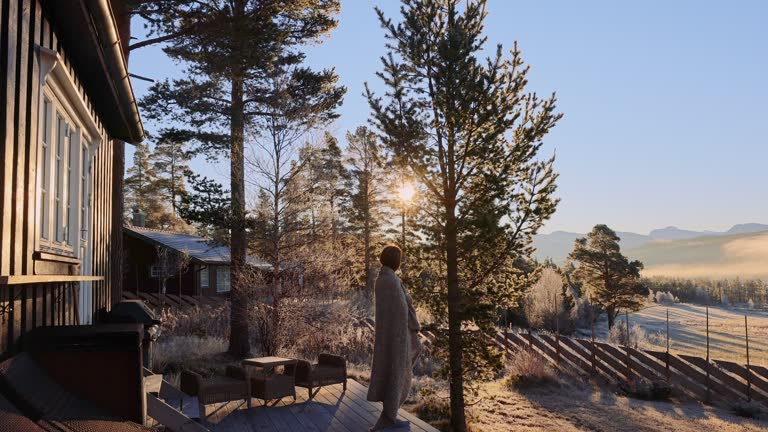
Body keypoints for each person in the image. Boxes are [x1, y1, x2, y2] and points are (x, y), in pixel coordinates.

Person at [367, 245, 422, 431]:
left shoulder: (384, 278)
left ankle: (389, 415)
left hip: (391, 336)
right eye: (399, 259)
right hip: (397, 337)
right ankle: (389, 416)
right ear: (394, 261)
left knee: (395, 373)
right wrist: (413, 327)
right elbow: (400, 310)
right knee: (397, 373)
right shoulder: (389, 281)